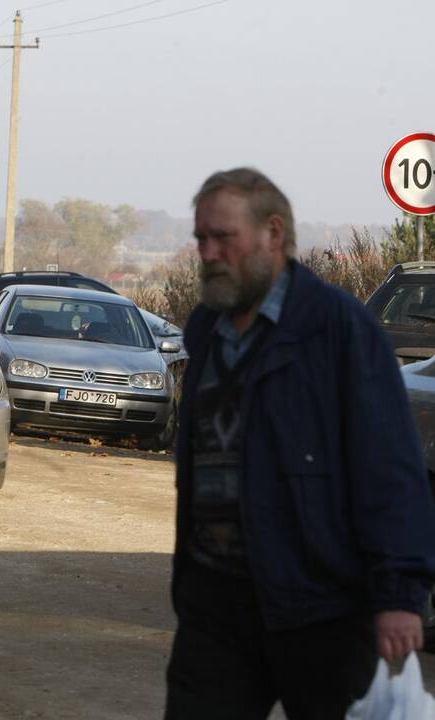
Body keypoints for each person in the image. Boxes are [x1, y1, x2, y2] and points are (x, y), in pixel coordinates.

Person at [165, 167, 435, 719]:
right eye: (202, 239)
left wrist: (399, 597)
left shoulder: (338, 328)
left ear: (273, 234)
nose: (210, 252)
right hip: (216, 607)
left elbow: (389, 467)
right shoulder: (206, 328)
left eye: (224, 238)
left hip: (321, 607)